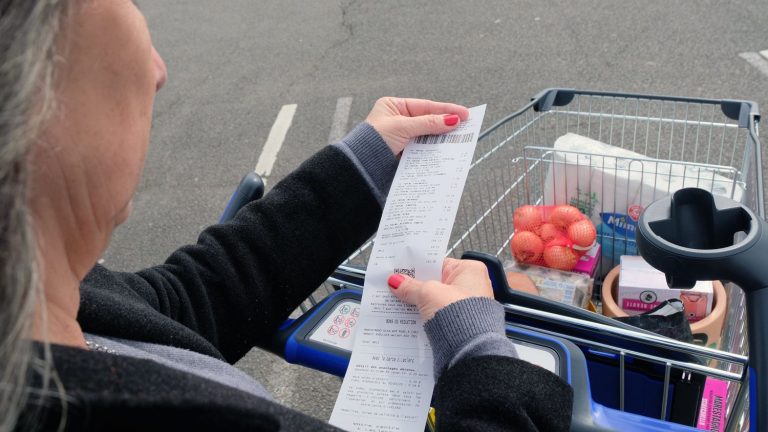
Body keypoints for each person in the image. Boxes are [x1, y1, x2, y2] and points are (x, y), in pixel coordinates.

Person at [0, 1, 573, 431]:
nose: (157, 69)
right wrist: (482, 356)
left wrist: (358, 168)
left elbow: (179, 308)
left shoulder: (44, 304)